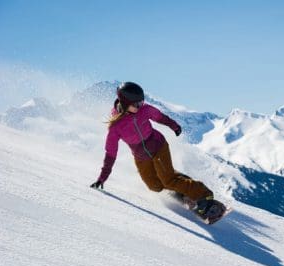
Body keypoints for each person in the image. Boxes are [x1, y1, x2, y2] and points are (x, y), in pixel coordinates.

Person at [90, 82, 217, 216]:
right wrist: (102, 178)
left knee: (168, 180)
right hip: (141, 157)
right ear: (126, 103)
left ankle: (204, 195)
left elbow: (160, 117)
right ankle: (179, 187)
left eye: (141, 102)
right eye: (136, 104)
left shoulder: (144, 110)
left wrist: (174, 126)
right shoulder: (116, 127)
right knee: (155, 186)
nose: (140, 106)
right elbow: (110, 154)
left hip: (158, 146)